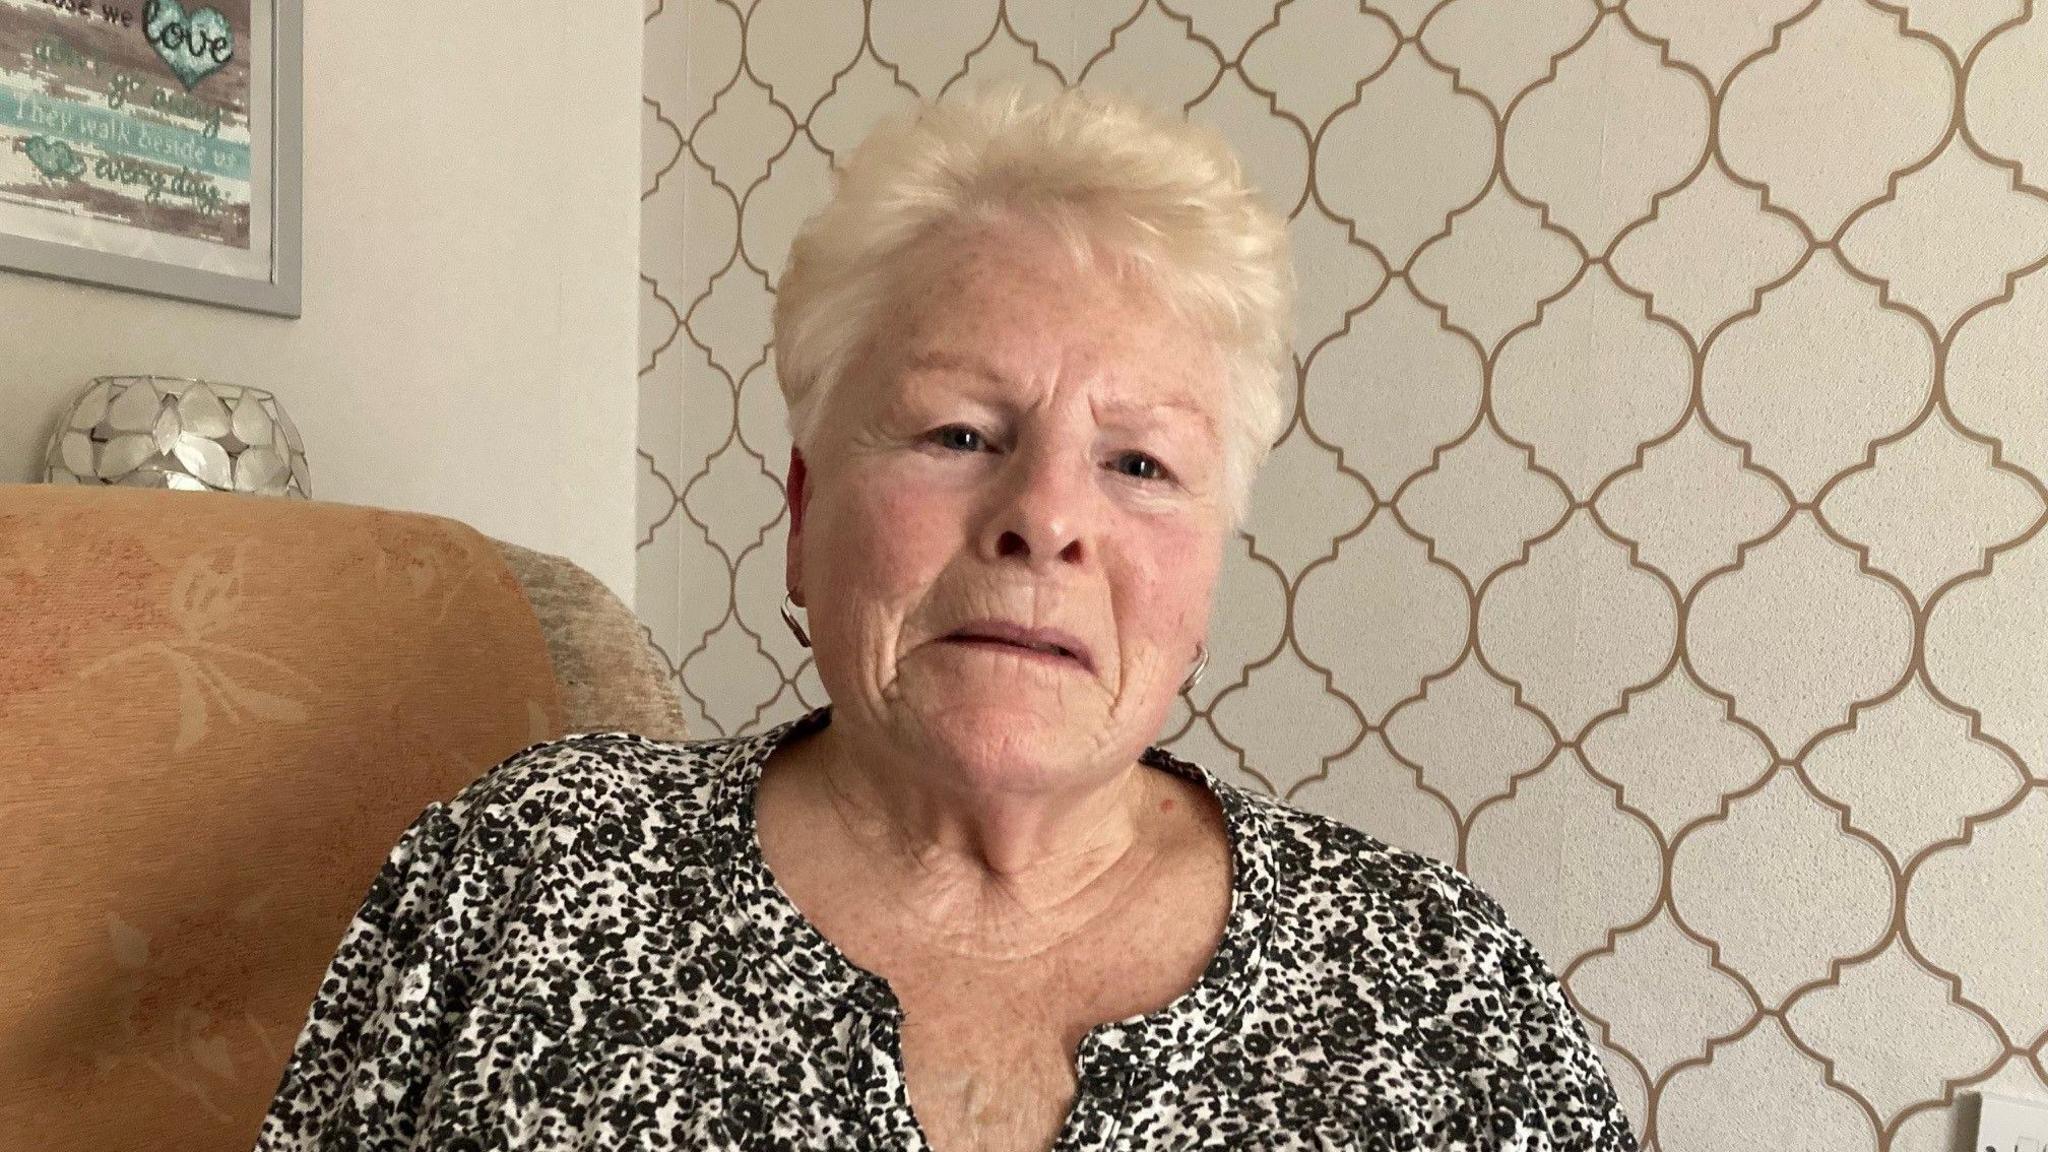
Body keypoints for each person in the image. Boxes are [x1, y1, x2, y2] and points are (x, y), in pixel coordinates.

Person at [255, 85, 1638, 1151]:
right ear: (803, 511)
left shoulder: (1436, 974)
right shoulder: (522, 870)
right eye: (959, 432)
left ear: (1205, 576)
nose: (1046, 516)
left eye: (1141, 464)